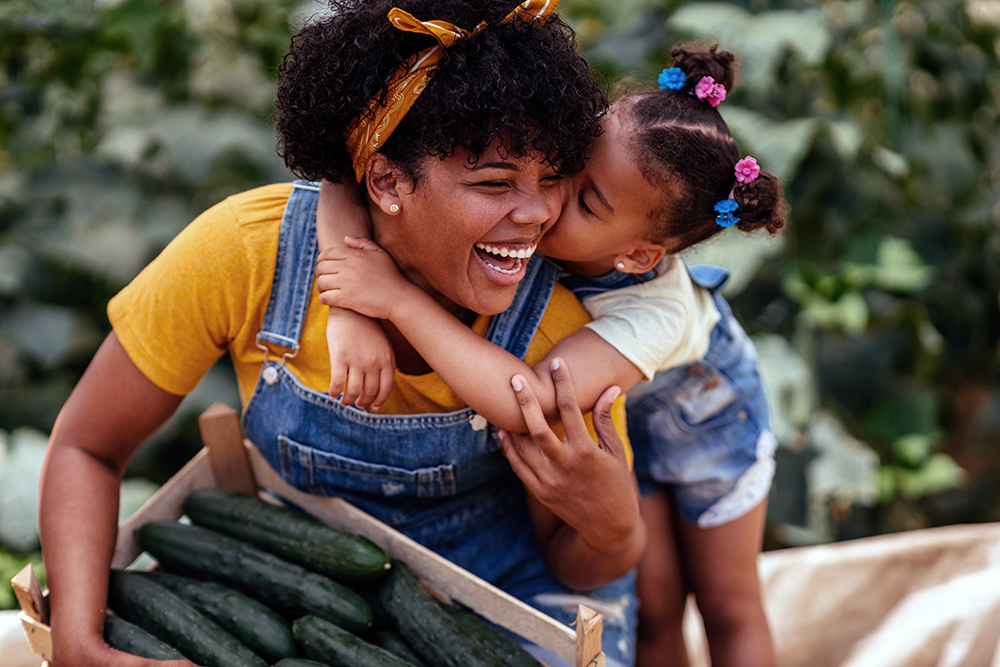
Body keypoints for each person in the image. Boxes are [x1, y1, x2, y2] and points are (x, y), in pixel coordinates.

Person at [37, 2, 646, 666]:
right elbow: (87, 448)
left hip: (512, 605)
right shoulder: (244, 254)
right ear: (386, 180)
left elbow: (581, 565)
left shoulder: (560, 337)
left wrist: (616, 529)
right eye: (495, 183)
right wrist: (77, 641)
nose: (536, 213)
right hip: (315, 595)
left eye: (552, 179)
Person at [315, 45, 786, 667]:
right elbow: (342, 178)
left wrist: (397, 302)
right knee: (656, 600)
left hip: (705, 413)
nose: (546, 201)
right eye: (566, 167)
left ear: (640, 256)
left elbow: (533, 400)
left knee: (728, 606)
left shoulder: (655, 310)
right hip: (613, 413)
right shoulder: (537, 213)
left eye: (587, 202)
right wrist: (349, 309)